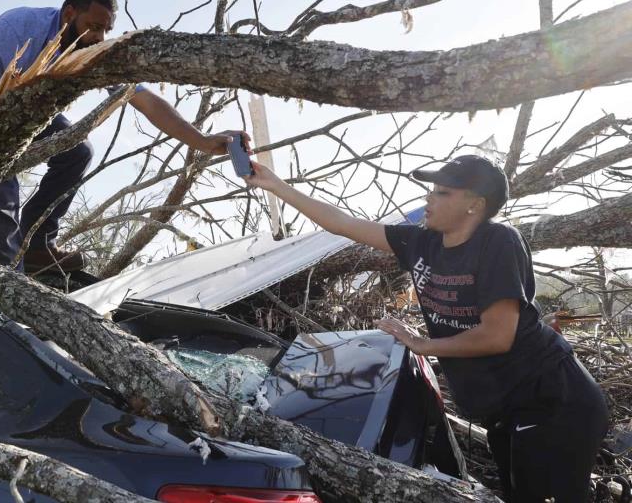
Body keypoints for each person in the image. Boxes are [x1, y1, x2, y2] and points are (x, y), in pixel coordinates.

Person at [244, 154, 608, 501]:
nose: (429, 198)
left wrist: (422, 344)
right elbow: (343, 224)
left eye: (443, 192)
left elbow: (497, 336)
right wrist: (274, 184)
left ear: (475, 205)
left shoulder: (498, 242)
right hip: (505, 409)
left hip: (553, 401)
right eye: (432, 190)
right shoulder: (421, 243)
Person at [0, 0, 247, 272]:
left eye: (106, 30)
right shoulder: (17, 29)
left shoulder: (93, 49)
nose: (100, 38)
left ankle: (37, 246)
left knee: (78, 152)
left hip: (20, 105)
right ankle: (4, 275)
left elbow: (147, 102)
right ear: (69, 13)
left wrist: (202, 141)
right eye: (94, 27)